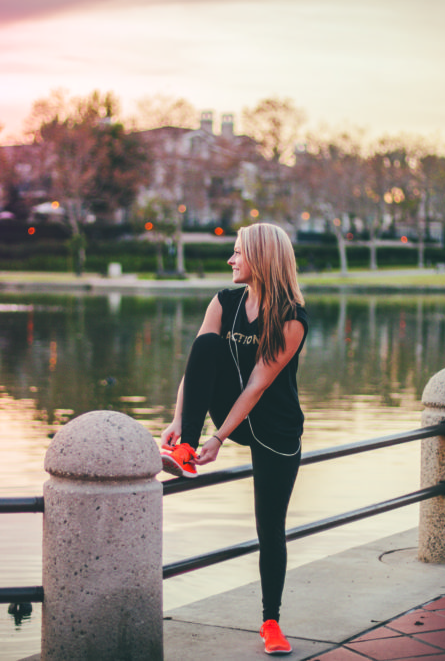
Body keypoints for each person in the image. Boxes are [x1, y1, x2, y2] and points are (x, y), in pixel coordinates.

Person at [160, 222, 308, 656]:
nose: (231, 259)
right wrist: (180, 421)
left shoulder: (291, 317)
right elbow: (198, 366)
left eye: (239, 252)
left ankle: (271, 622)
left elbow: (258, 385)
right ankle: (183, 451)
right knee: (205, 345)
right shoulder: (225, 302)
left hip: (274, 427)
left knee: (270, 527)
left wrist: (218, 437)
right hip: (229, 412)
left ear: (261, 258)